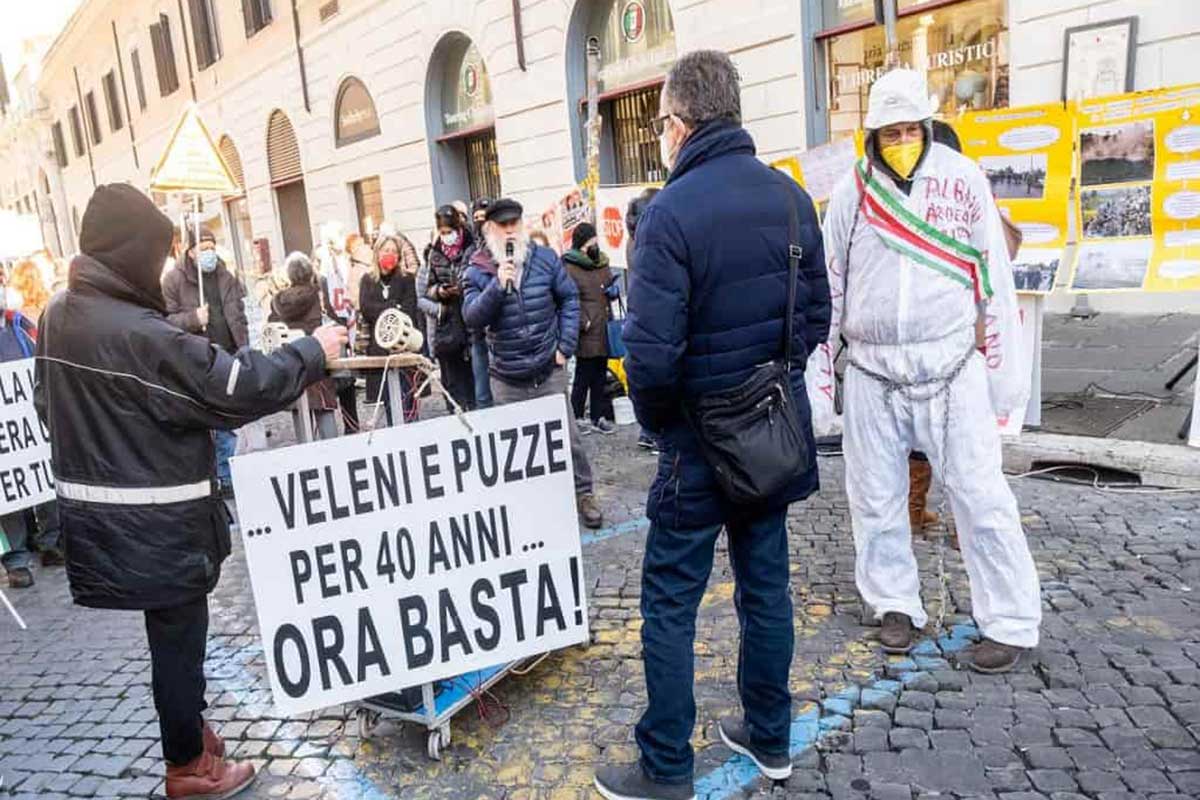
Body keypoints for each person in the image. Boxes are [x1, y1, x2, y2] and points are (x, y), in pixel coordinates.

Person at [35, 183, 347, 798]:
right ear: (130, 252)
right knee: (178, 645)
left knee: (171, 638)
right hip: (158, 519)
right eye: (154, 255)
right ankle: (187, 764)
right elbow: (235, 387)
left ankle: (191, 729)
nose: (160, 269)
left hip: (103, 518)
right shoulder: (142, 335)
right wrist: (312, 351)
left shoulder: (57, 314)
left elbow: (51, 405)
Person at [595, 51, 831, 800]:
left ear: (679, 122)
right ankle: (770, 735)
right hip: (767, 430)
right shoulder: (791, 199)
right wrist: (769, 386)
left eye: (661, 124)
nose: (662, 136)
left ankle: (666, 766)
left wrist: (665, 426)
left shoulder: (670, 211)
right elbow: (815, 318)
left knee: (670, 602)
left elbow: (650, 357)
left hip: (697, 440)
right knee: (765, 588)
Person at [822, 68, 1039, 673]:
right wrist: (822, 375)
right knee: (875, 496)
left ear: (926, 126)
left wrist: (1003, 378)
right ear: (872, 135)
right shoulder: (851, 192)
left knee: (980, 493)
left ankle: (1011, 621)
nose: (901, 140)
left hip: (949, 362)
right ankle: (894, 602)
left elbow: (994, 278)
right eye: (889, 132)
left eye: (910, 129)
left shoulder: (964, 180)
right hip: (872, 369)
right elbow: (830, 282)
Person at [462, 198, 604, 529]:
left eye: (515, 223)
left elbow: (569, 298)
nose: (510, 230)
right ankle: (527, 506)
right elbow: (472, 317)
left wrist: (565, 346)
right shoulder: (478, 269)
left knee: (568, 438)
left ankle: (583, 493)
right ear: (490, 229)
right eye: (503, 225)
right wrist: (497, 285)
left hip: (547, 368)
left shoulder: (545, 259)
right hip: (507, 376)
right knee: (516, 449)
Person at [162, 227, 249, 498]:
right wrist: (193, 319)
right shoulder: (173, 281)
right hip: (198, 358)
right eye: (203, 248)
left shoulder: (226, 276)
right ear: (190, 252)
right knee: (212, 420)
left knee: (230, 417)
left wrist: (245, 346)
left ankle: (230, 473)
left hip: (230, 355)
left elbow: (239, 313)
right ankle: (220, 475)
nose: (209, 253)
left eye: (212, 247)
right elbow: (164, 322)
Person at [0, 279, 62, 589]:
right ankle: (16, 559)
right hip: (6, 428)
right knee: (9, 490)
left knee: (43, 479)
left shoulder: (21, 323)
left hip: (32, 420)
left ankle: (51, 541)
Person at [270, 252, 340, 440]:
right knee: (324, 414)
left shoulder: (279, 301)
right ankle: (334, 453)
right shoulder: (317, 295)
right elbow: (333, 320)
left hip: (293, 362)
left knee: (300, 418)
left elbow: (272, 327)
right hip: (318, 356)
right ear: (310, 272)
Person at [358, 232, 421, 425]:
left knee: (407, 398)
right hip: (379, 348)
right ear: (377, 253)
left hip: (403, 346)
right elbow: (366, 309)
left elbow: (409, 309)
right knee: (388, 401)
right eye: (386, 250)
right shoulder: (368, 280)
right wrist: (392, 306)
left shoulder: (406, 279)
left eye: (394, 251)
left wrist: (385, 309)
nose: (390, 254)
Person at [562, 222, 618, 434]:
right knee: (583, 374)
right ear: (582, 244)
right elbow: (567, 299)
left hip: (603, 325)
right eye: (590, 242)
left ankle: (598, 415)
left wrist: (613, 290)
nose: (594, 245)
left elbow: (608, 284)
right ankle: (576, 415)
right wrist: (582, 321)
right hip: (586, 329)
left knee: (600, 374)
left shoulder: (601, 262)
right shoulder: (570, 267)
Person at [419, 205, 476, 411]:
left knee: (473, 376)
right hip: (448, 322)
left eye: (449, 232)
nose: (446, 237)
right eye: (442, 232)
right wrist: (440, 292)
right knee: (452, 378)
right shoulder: (434, 254)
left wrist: (465, 287)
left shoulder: (471, 247)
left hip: (470, 315)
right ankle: (456, 410)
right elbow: (427, 290)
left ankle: (474, 408)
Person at [623, 187, 661, 452]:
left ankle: (648, 430)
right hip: (654, 313)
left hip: (640, 313)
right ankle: (651, 431)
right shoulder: (649, 241)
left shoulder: (634, 239)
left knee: (645, 370)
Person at [467, 197, 494, 409]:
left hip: (501, 331)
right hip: (478, 332)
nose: (480, 222)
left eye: (484, 217)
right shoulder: (470, 253)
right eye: (476, 218)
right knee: (482, 393)